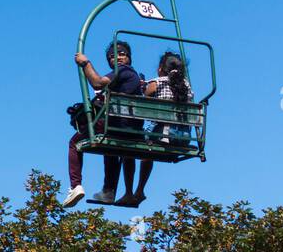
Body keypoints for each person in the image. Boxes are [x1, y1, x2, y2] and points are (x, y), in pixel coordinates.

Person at [63, 40, 145, 207]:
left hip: (117, 124)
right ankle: (108, 191)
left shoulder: (124, 71)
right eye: (112, 56)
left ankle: (75, 186)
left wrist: (86, 63)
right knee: (111, 150)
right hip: (130, 128)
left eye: (121, 54)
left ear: (128, 57)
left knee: (74, 142)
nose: (117, 58)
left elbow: (97, 82)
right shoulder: (131, 76)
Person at [118, 51, 194, 208]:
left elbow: (141, 100)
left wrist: (141, 85)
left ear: (160, 68)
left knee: (130, 147)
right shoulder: (186, 85)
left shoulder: (156, 82)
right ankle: (140, 191)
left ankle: (129, 192)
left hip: (162, 136)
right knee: (148, 151)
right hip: (183, 138)